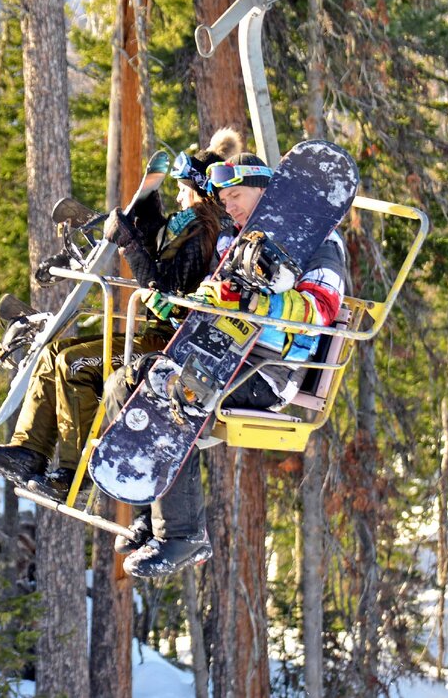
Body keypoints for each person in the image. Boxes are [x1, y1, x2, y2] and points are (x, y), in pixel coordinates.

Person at [103, 151, 348, 578]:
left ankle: (185, 535)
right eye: (223, 197)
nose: (228, 206)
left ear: (265, 192)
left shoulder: (318, 240)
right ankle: (149, 503)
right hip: (222, 352)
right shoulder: (235, 243)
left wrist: (255, 299)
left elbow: (321, 307)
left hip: (267, 370)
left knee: (173, 390)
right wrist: (177, 306)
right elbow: (213, 300)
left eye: (236, 195)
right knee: (127, 382)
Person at [0, 132, 242, 501]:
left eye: (183, 190)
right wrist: (146, 224)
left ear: (199, 190)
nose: (180, 197)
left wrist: (131, 243)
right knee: (54, 353)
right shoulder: (184, 225)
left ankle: (73, 471)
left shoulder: (206, 230)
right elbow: (158, 265)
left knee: (75, 363)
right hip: (156, 331)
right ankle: (29, 450)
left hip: (172, 342)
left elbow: (165, 290)